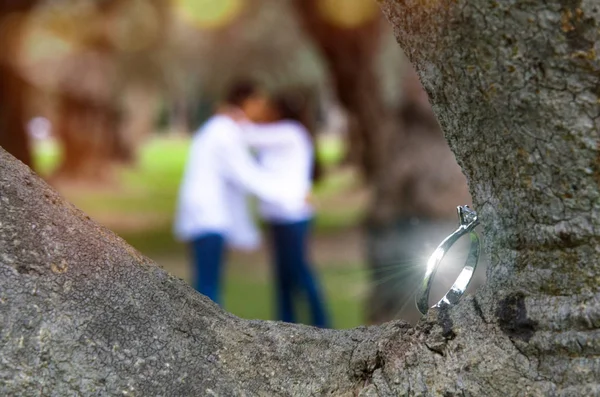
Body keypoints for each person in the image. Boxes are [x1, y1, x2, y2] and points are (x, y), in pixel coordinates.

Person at [173, 81, 295, 306]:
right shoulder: (224, 132)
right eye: (259, 103)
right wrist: (292, 195)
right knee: (207, 290)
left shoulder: (221, 127)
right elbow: (247, 175)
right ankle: (208, 337)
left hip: (207, 214)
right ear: (247, 102)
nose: (261, 110)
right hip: (207, 216)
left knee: (207, 282)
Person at [242, 91, 329, 328]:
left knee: (300, 271)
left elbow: (249, 136)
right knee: (283, 276)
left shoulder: (290, 132)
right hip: (278, 216)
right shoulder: (280, 136)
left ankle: (321, 322)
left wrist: (237, 115)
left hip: (292, 215)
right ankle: (286, 323)